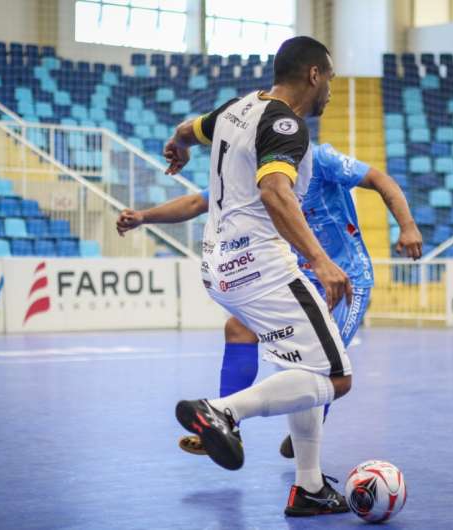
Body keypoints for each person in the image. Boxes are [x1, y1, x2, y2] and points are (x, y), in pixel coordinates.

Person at [139, 35, 351, 517]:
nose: (330, 89)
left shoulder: (237, 108)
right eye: (330, 79)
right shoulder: (286, 124)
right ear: (313, 75)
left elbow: (188, 129)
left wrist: (178, 144)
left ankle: (309, 487)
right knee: (336, 378)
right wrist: (320, 260)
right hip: (262, 267)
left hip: (218, 267)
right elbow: (275, 191)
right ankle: (223, 411)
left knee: (302, 367)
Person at [117, 143, 424, 460]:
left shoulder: (319, 159)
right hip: (298, 277)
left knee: (322, 365)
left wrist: (408, 226)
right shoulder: (251, 173)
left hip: (346, 279)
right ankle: (226, 425)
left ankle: (309, 435)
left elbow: (380, 179)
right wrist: (143, 217)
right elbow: (197, 202)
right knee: (238, 329)